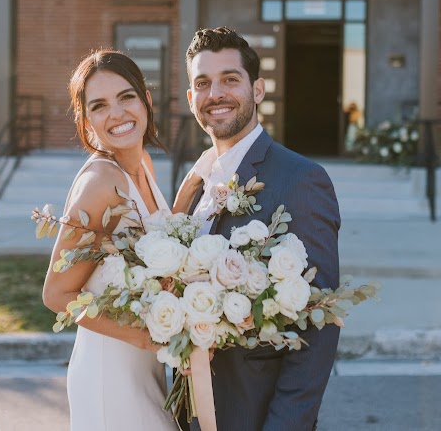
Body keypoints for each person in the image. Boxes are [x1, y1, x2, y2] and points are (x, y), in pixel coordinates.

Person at [178, 27, 341, 430]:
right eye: (203, 83)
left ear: (259, 89)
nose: (216, 93)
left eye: (230, 79)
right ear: (191, 98)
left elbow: (318, 328)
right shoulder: (196, 182)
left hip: (252, 414)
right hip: (190, 413)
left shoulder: (301, 179)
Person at [42, 50, 187, 431]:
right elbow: (57, 294)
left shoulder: (144, 166)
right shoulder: (101, 185)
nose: (118, 114)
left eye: (126, 97)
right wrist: (143, 339)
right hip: (111, 375)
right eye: (100, 106)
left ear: (146, 100)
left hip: (149, 369)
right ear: (87, 121)